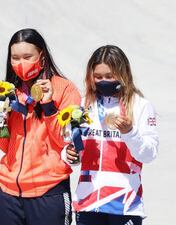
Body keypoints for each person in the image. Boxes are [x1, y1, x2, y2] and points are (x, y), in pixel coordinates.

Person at [0, 28, 81, 225]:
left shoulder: (65, 89)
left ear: (42, 55)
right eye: (15, 58)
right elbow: (6, 147)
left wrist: (48, 106)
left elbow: (66, 140)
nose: (20, 64)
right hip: (8, 193)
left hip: (48, 192)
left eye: (27, 56)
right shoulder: (9, 93)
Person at [63, 45, 159, 225]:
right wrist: (69, 155)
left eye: (109, 76)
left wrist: (130, 133)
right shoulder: (82, 105)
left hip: (125, 203)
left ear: (123, 74)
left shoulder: (140, 106)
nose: (103, 81)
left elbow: (149, 154)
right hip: (88, 201)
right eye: (98, 77)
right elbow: (69, 147)